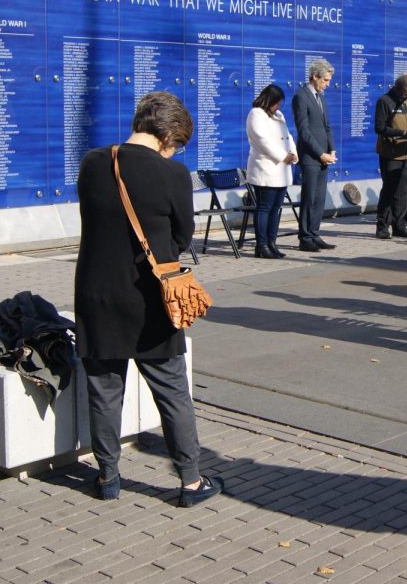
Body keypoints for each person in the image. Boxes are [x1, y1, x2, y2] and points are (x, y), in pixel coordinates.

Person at [74, 91, 223, 506]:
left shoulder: (93, 162)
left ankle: (107, 478)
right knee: (171, 390)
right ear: (168, 136)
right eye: (177, 145)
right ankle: (190, 482)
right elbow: (181, 238)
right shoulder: (172, 175)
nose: (175, 152)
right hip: (151, 297)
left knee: (104, 389)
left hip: (96, 292)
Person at [245, 84, 297, 259]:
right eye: (276, 104)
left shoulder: (278, 115)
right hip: (266, 168)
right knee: (264, 207)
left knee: (275, 208)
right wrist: (284, 156)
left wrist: (293, 153)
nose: (278, 107)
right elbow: (262, 140)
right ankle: (262, 245)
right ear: (268, 100)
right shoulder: (256, 114)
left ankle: (272, 243)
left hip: (281, 170)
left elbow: (287, 137)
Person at [291, 59, 337, 252]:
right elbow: (304, 131)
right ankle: (305, 237)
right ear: (315, 76)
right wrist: (320, 154)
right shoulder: (301, 97)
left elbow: (326, 126)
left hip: (324, 156)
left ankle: (315, 233)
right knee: (309, 198)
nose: (327, 84)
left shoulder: (320, 96)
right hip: (311, 157)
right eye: (325, 80)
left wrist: (331, 149)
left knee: (319, 198)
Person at [373, 72, 407, 239]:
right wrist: (402, 132)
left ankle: (399, 226)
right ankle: (382, 227)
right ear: (397, 88)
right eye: (405, 93)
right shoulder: (384, 101)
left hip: (406, 152)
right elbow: (379, 128)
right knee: (389, 190)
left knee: (402, 192)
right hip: (390, 153)